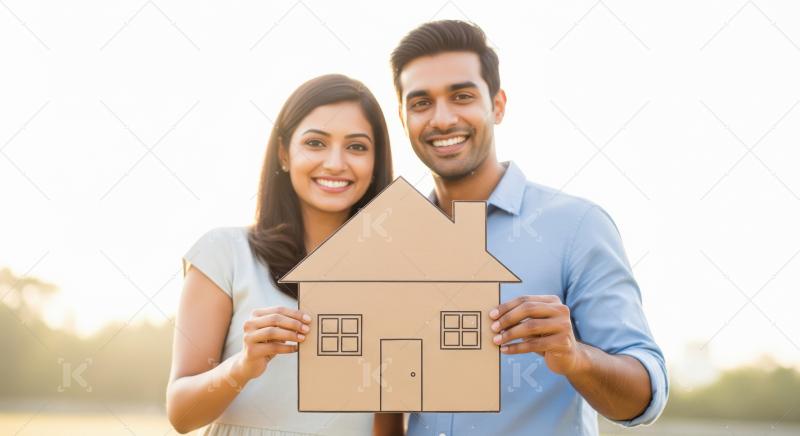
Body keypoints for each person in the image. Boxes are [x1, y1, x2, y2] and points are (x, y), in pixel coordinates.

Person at [375, 20, 668, 435]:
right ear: (403, 118)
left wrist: (574, 356)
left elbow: (644, 396)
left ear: (497, 105)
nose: (442, 119)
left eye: (462, 96)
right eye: (421, 103)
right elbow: (385, 400)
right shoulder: (391, 243)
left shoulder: (578, 227)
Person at [166, 74, 393, 435]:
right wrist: (244, 365)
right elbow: (181, 414)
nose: (335, 163)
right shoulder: (225, 253)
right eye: (316, 143)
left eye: (357, 147)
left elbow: (387, 423)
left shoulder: (395, 274)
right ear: (285, 154)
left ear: (375, 161)